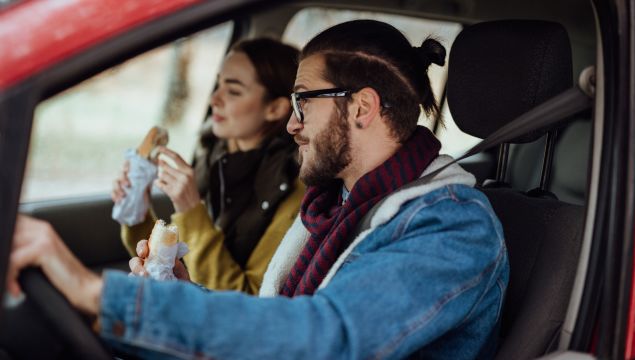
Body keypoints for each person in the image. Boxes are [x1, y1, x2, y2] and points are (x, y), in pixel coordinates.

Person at [9, 20, 509, 359]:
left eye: (302, 103)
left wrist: (96, 292)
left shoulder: (452, 224)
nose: (292, 125)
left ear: (362, 107)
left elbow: (326, 339)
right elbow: (280, 322)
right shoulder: (337, 205)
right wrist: (184, 292)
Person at [111, 38, 304, 293]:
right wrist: (137, 211)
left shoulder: (295, 190)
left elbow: (246, 299)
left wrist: (190, 209)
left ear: (276, 108)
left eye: (233, 91)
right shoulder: (214, 156)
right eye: (218, 84)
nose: (214, 98)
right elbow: (173, 265)